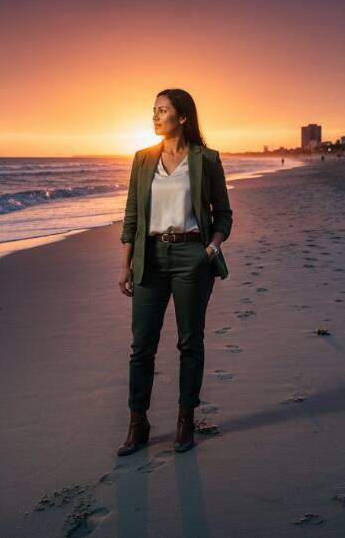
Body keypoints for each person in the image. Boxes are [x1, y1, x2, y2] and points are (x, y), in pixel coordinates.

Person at [117, 88, 233, 456]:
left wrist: (209, 250)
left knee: (189, 342)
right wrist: (126, 264)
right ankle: (138, 423)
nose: (154, 116)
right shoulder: (142, 160)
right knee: (142, 346)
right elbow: (132, 216)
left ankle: (186, 420)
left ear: (182, 117)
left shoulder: (207, 159)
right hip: (149, 257)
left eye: (162, 110)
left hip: (191, 256)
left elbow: (224, 215)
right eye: (152, 110)